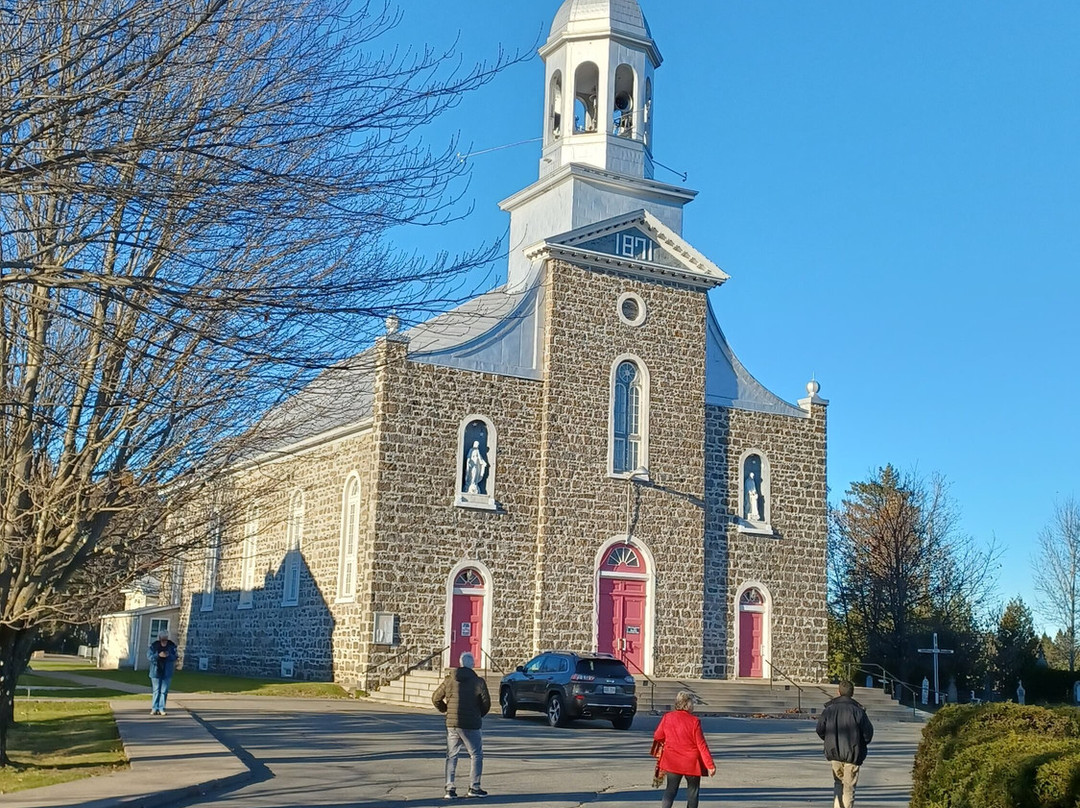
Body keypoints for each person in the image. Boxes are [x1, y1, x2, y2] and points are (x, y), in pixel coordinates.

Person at [432, 651, 491, 800]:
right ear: (472, 665)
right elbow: (486, 703)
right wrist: (479, 714)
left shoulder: (449, 680)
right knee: (476, 755)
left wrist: (446, 710)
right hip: (471, 724)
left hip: (452, 723)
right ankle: (474, 786)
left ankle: (449, 788)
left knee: (451, 755)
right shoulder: (478, 682)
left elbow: (436, 698)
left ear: (460, 663)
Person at [816, 680, 875, 808]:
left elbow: (820, 729)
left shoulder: (829, 709)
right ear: (852, 693)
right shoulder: (858, 711)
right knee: (849, 787)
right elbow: (868, 734)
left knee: (838, 783)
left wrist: (829, 740)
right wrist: (860, 743)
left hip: (834, 752)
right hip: (853, 753)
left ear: (838, 692)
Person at [652, 690, 716, 808]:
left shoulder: (667, 717)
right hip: (691, 763)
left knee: (670, 790)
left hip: (672, 761)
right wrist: (710, 765)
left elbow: (658, 736)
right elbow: (701, 745)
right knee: (693, 793)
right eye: (692, 703)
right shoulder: (694, 721)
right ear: (687, 704)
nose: (693, 706)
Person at [147, 630, 178, 716]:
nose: (164, 640)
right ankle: (154, 708)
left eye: (165, 638)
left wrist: (168, 655)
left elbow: (175, 656)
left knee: (164, 691)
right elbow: (149, 656)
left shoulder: (171, 646)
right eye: (163, 638)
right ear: (159, 638)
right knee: (156, 691)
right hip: (156, 671)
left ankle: (161, 708)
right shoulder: (154, 646)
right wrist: (158, 655)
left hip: (167, 671)